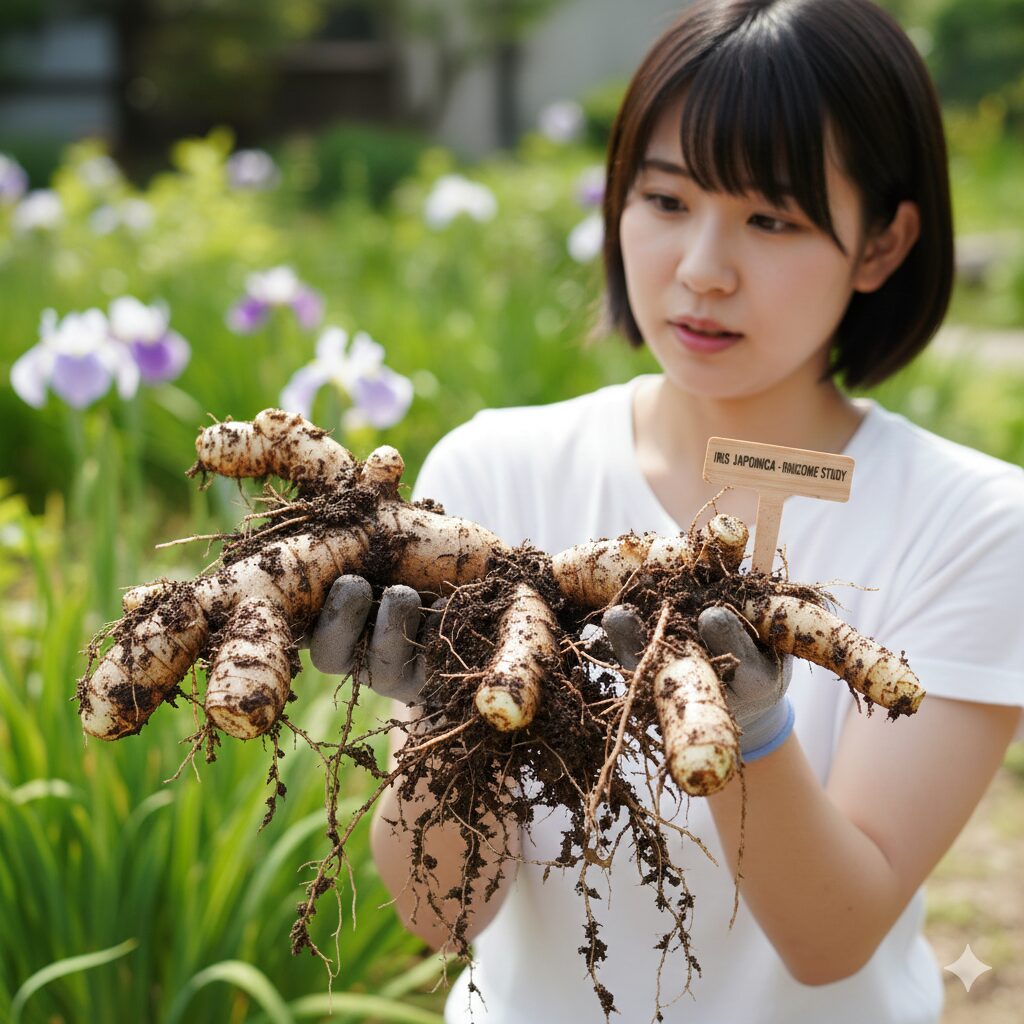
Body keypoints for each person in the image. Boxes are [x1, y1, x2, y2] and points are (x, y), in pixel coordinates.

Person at [310, 1, 1024, 1021]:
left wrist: (754, 736)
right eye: (665, 200)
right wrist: (441, 720)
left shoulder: (974, 522)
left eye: (770, 219)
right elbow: (438, 912)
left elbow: (830, 942)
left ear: (882, 242)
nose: (700, 269)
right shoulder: (499, 471)